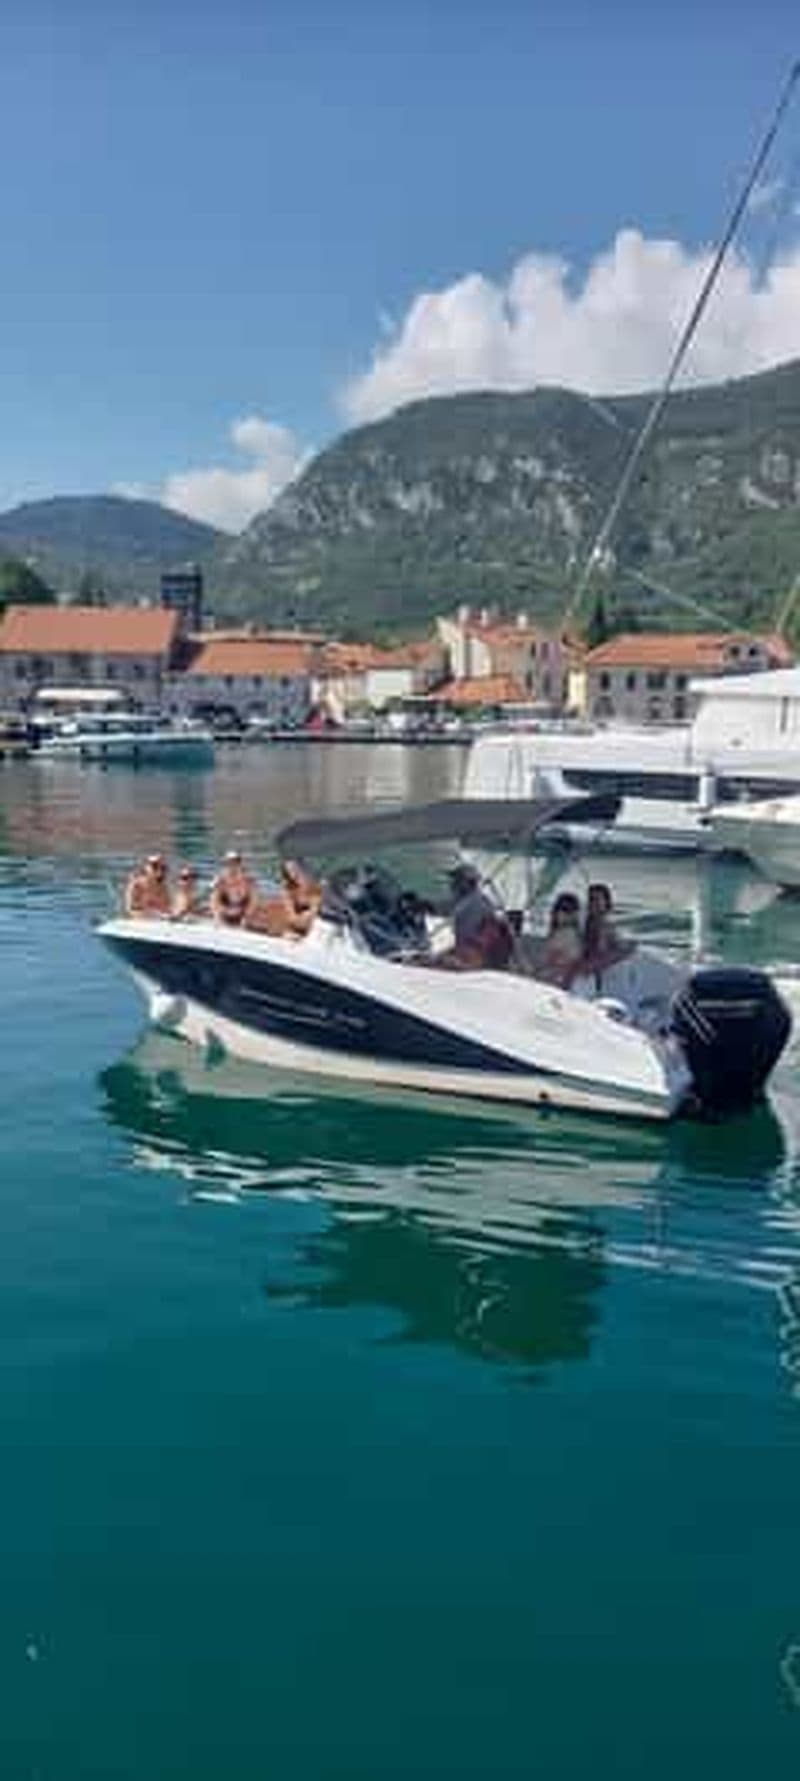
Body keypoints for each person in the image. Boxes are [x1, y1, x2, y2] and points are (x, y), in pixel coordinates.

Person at [436, 862, 513, 970]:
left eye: (456, 880)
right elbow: (444, 907)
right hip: (471, 954)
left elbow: (474, 944)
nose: (452, 885)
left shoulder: (474, 904)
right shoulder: (471, 901)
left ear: (465, 883)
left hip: (476, 958)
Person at [581, 882, 634, 979]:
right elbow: (595, 959)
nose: (593, 903)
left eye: (597, 900)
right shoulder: (592, 924)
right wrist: (623, 952)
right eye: (591, 899)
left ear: (606, 902)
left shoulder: (604, 924)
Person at [534, 891, 583, 987]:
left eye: (566, 910)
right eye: (558, 909)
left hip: (555, 981)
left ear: (574, 914)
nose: (560, 913)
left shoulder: (568, 935)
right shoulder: (558, 934)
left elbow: (557, 961)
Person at [210, 849, 259, 927]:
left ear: (239, 863)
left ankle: (246, 919)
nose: (232, 865)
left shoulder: (247, 878)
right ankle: (218, 918)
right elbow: (214, 898)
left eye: (235, 862)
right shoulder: (220, 878)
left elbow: (254, 899)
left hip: (242, 909)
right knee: (215, 892)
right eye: (229, 863)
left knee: (253, 892)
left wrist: (246, 915)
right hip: (225, 908)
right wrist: (220, 913)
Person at [124, 853, 171, 918]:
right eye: (155, 866)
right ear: (146, 868)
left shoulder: (163, 888)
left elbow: (167, 909)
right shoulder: (136, 885)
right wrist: (156, 914)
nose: (159, 871)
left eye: (163, 868)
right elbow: (131, 910)